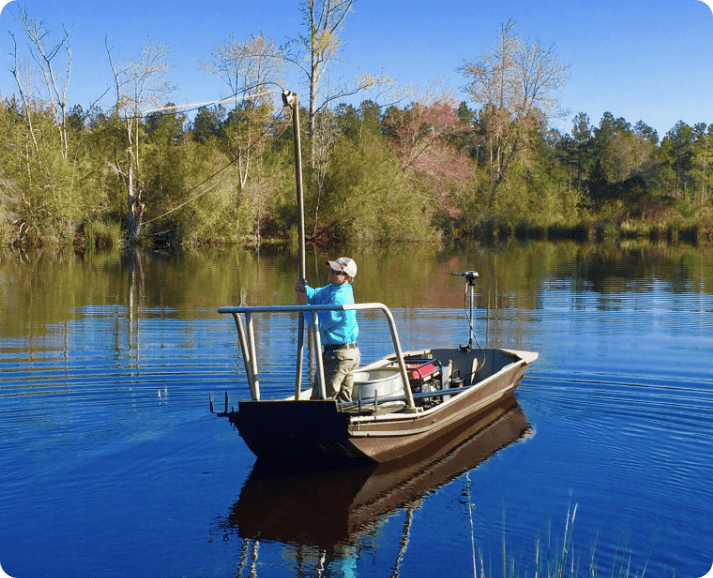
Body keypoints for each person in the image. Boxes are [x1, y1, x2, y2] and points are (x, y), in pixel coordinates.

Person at [294, 257, 360, 402]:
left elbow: (319, 323)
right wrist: (304, 289)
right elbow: (316, 295)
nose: (330, 272)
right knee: (342, 399)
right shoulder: (334, 288)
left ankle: (320, 423)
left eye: (336, 271)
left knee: (322, 398)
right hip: (344, 354)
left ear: (347, 277)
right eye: (331, 268)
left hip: (339, 356)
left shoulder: (340, 298)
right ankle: (345, 421)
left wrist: (303, 305)